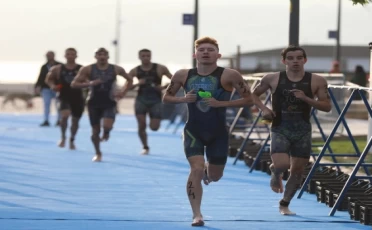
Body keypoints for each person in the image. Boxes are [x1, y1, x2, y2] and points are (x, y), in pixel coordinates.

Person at [162, 36, 253, 227]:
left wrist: (221, 103)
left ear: (218, 55)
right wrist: (183, 99)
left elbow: (248, 100)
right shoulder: (182, 75)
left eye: (210, 49)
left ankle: (207, 171)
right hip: (193, 130)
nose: (205, 52)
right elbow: (166, 98)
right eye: (201, 49)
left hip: (218, 132)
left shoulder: (230, 75)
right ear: (195, 54)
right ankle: (197, 214)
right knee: (195, 168)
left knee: (215, 176)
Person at [251, 45, 332, 216]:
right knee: (282, 164)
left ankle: (284, 203)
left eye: (299, 58)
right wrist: (263, 109)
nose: (295, 61)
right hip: (280, 127)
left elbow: (326, 106)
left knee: (297, 171)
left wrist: (306, 98)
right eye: (291, 58)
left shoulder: (317, 80)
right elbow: (252, 94)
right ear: (284, 61)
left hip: (302, 129)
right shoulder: (272, 78)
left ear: (305, 60)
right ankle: (276, 170)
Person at [71, 48, 133, 162]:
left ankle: (107, 132)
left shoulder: (116, 69)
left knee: (107, 126)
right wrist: (90, 83)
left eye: (104, 54)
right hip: (93, 102)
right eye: (100, 54)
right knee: (95, 131)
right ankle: (98, 153)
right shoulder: (87, 69)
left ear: (108, 57)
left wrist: (123, 92)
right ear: (96, 56)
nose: (102, 57)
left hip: (109, 102)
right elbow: (74, 84)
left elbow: (130, 79)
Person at [127, 49, 173, 155]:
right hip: (141, 99)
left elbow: (175, 79)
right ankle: (145, 146)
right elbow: (128, 86)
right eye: (143, 56)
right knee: (141, 124)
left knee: (154, 128)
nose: (146, 58)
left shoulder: (160, 68)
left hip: (155, 100)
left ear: (151, 56)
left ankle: (154, 121)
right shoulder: (135, 70)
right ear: (139, 57)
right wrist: (138, 84)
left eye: (148, 56)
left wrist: (164, 87)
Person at [45, 48, 84, 150]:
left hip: (77, 97)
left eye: (72, 54)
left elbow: (89, 80)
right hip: (64, 96)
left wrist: (85, 85)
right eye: (68, 54)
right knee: (64, 116)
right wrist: (53, 86)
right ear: (65, 56)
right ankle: (63, 137)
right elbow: (48, 79)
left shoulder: (82, 69)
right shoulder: (57, 68)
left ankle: (72, 140)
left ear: (76, 56)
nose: (70, 56)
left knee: (75, 121)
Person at [34, 51, 61, 127]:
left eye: (50, 55)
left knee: (58, 105)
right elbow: (40, 77)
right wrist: (37, 86)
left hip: (57, 88)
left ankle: (59, 120)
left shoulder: (59, 65)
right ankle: (46, 120)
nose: (49, 57)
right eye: (47, 56)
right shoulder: (44, 66)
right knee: (46, 104)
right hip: (45, 88)